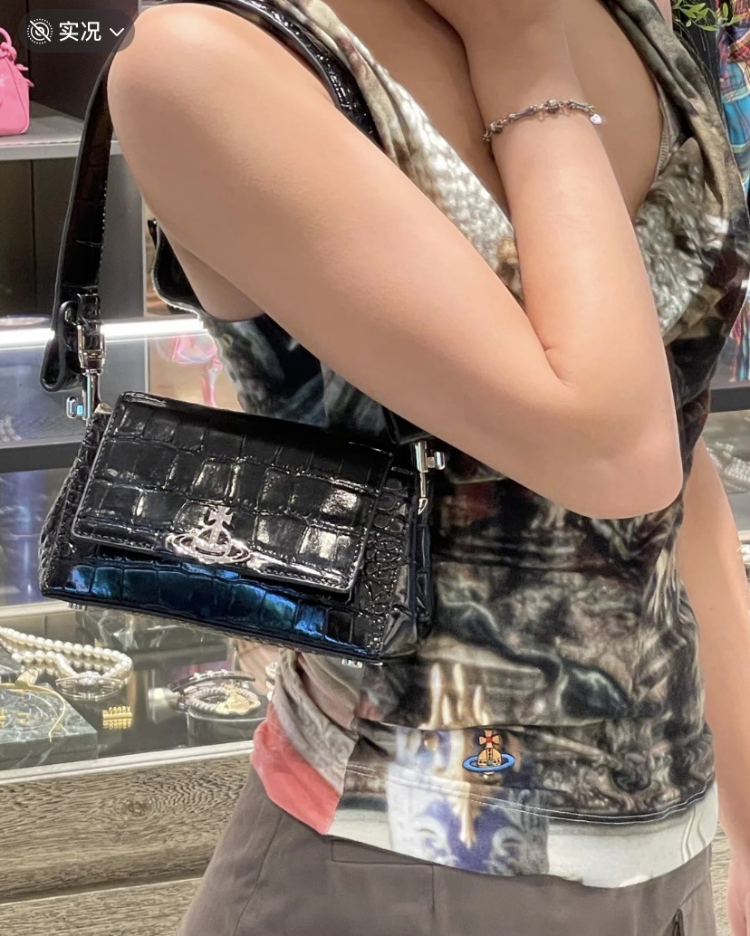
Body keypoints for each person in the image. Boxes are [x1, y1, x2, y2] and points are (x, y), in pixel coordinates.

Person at [105, 0, 750, 933]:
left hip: (668, 837)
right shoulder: (208, 58)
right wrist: (525, 59)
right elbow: (617, 452)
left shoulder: (623, 16)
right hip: (406, 852)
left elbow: (677, 477)